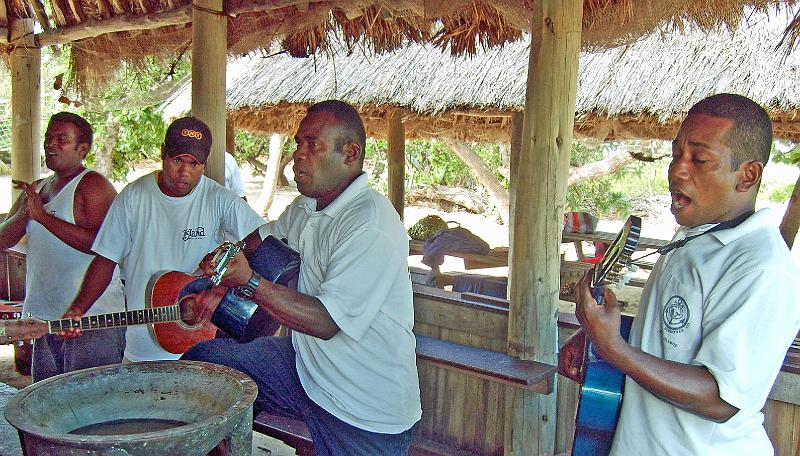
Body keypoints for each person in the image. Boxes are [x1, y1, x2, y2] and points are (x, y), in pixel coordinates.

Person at [182, 100, 422, 455]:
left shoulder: (371, 224)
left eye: (312, 145)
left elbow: (326, 321)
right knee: (207, 364)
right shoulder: (307, 206)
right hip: (308, 370)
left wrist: (248, 282)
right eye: (297, 143)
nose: (298, 155)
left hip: (365, 410)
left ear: (350, 153)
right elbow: (256, 243)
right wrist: (217, 277)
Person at [569, 93, 800, 454]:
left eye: (699, 159)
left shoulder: (762, 268)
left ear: (748, 175)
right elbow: (671, 338)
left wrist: (612, 347)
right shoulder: (695, 236)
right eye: (677, 153)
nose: (677, 170)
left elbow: (719, 398)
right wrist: (601, 343)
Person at [65, 116, 265, 362]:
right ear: (163, 153)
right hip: (143, 348)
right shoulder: (133, 197)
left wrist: (225, 288)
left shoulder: (219, 199)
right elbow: (105, 260)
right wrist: (78, 308)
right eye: (178, 160)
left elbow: (263, 243)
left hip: (201, 346)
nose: (185, 172)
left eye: (195, 164)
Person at [0, 112, 125, 382]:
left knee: (92, 406)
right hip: (45, 318)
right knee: (49, 406)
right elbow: (3, 239)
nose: (51, 144)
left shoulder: (93, 185)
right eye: (48, 138)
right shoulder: (38, 188)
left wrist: (43, 217)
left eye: (61, 139)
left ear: (83, 149)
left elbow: (104, 247)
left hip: (91, 318)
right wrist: (26, 213)